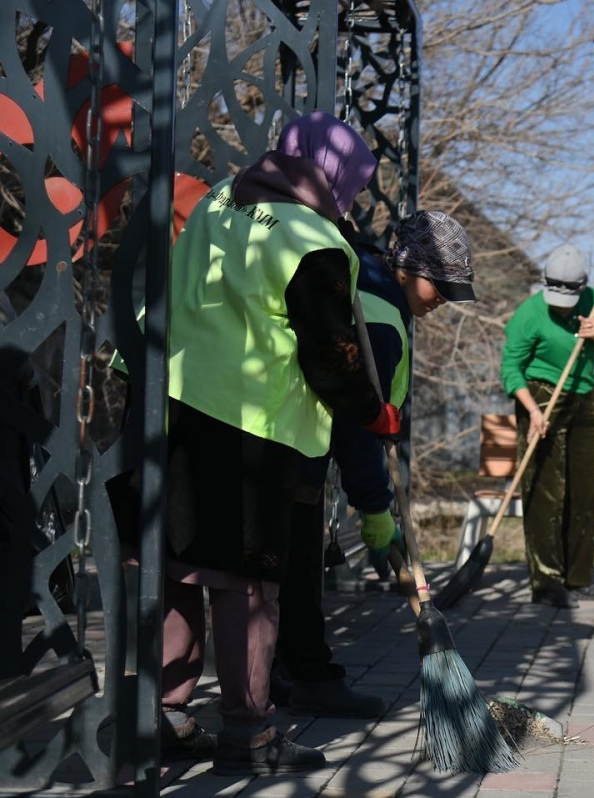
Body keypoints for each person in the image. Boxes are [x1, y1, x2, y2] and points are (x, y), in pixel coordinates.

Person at [108, 113, 399, 774]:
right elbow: (333, 356)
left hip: (163, 404)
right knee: (246, 587)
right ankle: (249, 733)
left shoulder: (220, 198)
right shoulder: (314, 240)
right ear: (338, 182)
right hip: (246, 428)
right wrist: (370, 411)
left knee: (174, 566)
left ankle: (167, 716)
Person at [273, 214, 475, 717]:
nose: (441, 301)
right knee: (291, 567)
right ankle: (299, 676)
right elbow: (361, 425)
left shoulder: (369, 282)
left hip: (286, 437)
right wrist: (375, 509)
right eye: (440, 287)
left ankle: (287, 673)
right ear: (406, 268)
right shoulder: (381, 318)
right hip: (291, 440)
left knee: (289, 565)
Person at [500, 244, 594, 608]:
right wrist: (532, 413)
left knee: (585, 491)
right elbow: (511, 369)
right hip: (538, 395)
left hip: (582, 397)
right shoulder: (529, 314)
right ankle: (546, 582)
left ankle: (577, 578)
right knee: (546, 491)